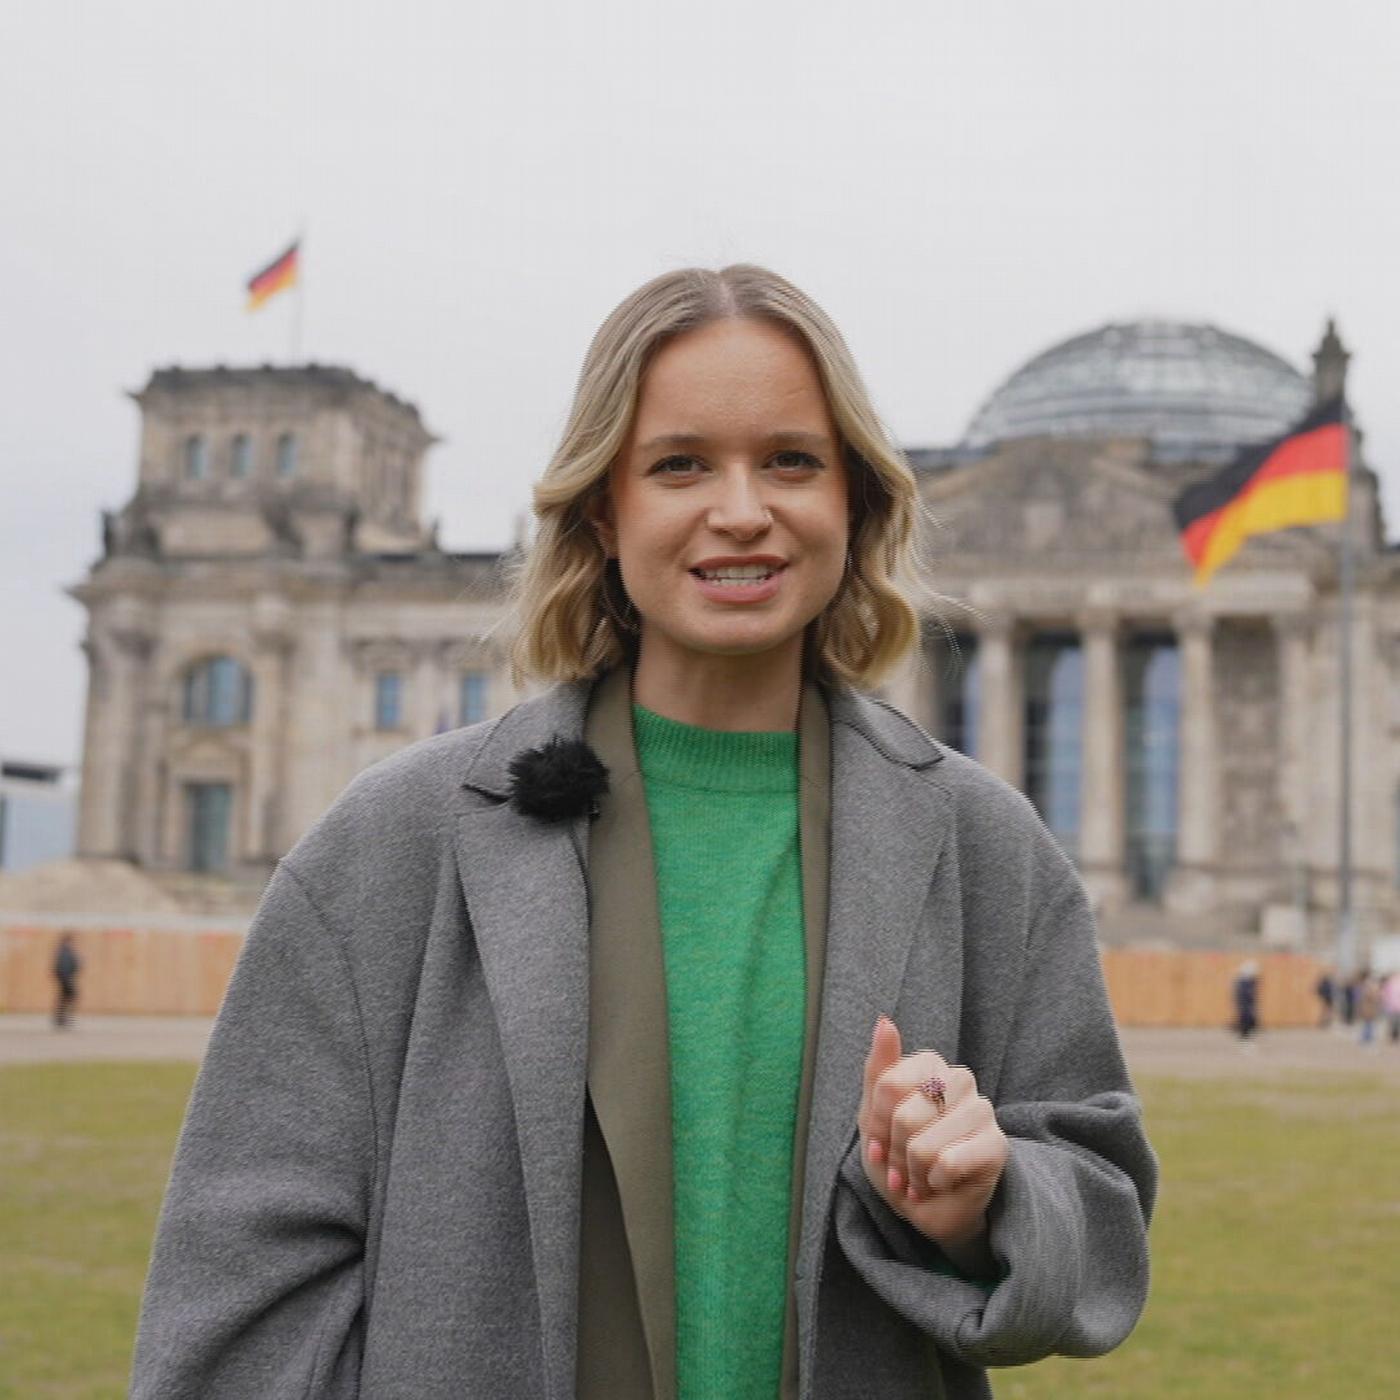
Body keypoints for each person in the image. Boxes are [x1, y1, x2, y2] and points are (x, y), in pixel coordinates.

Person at [131, 265, 1156, 1399]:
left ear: (854, 501)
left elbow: (1099, 1220)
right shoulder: (388, 846)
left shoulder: (982, 844)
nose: (740, 508)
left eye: (790, 460)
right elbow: (235, 1308)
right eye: (679, 463)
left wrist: (989, 1198)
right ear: (601, 510)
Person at [52, 931, 80, 1029]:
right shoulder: (65, 951)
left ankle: (61, 1019)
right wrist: (65, 978)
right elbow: (63, 967)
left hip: (66, 978)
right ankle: (64, 1019)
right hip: (66, 978)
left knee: (64, 998)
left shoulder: (64, 951)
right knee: (71, 997)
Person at [1232, 960, 1260, 1041]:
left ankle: (1247, 1035)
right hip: (1244, 1004)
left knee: (1251, 1019)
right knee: (1245, 1018)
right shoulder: (1243, 982)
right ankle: (1244, 1036)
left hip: (1248, 1004)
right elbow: (1243, 994)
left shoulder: (1250, 982)